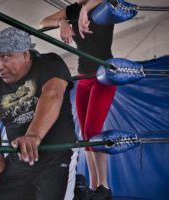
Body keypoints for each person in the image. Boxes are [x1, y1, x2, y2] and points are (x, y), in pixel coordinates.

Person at [0, 27, 77, 200]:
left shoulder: (49, 63)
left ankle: (78, 189)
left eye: (5, 57)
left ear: (25, 55)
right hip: (20, 158)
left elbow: (53, 94)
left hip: (55, 155)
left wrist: (33, 134)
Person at [40, 1, 116, 199]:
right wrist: (61, 22)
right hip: (83, 78)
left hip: (104, 75)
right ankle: (93, 186)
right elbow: (42, 22)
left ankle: (105, 187)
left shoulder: (104, 4)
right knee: (85, 134)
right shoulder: (71, 9)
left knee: (93, 131)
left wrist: (85, 9)